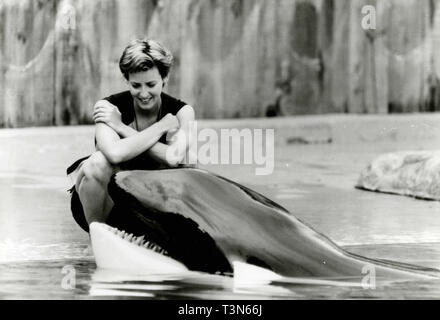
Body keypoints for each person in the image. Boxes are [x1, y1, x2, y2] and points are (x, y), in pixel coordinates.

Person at [66, 38, 195, 232]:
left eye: (151, 84)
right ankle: (99, 235)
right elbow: (115, 154)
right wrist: (160, 127)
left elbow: (175, 157)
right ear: (126, 80)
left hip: (152, 203)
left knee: (191, 163)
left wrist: (121, 128)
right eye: (136, 85)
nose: (144, 93)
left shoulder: (183, 112)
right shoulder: (107, 108)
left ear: (165, 79)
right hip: (106, 203)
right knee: (97, 162)